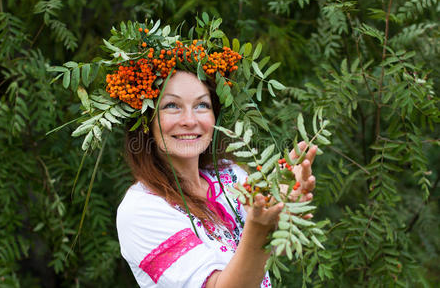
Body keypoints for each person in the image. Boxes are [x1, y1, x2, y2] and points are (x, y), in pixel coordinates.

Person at [116, 70, 317, 287]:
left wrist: (280, 210)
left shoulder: (229, 174)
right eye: (171, 105)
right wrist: (260, 227)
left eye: (202, 105)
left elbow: (263, 255)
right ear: (145, 120)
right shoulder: (141, 210)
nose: (190, 120)